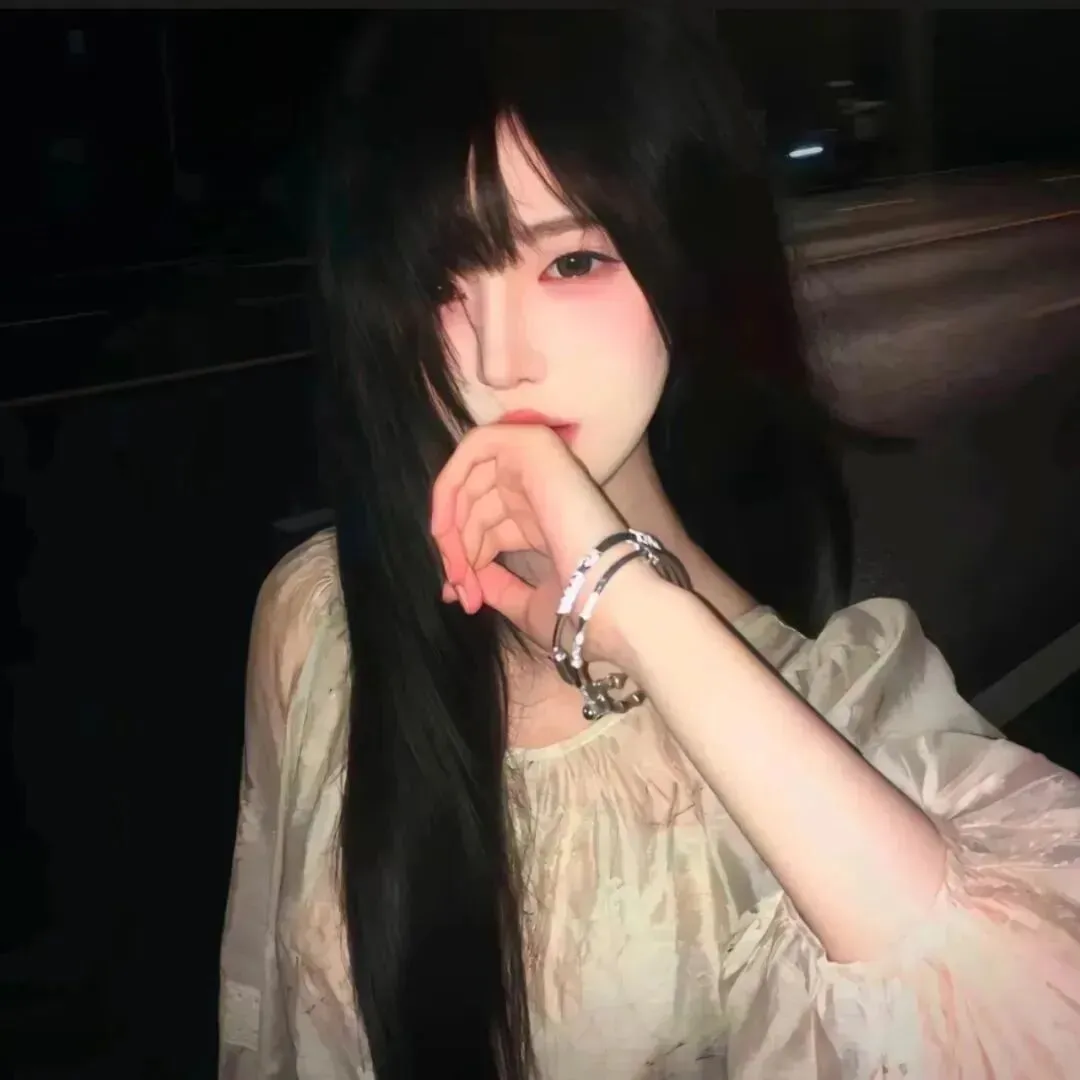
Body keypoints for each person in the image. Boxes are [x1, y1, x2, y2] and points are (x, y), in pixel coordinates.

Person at [219, 10, 1080, 1079]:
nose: (500, 359)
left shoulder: (830, 716)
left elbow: (1037, 1021)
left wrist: (631, 609)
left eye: (574, 261)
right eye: (440, 283)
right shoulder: (320, 619)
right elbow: (263, 1021)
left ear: (693, 259)